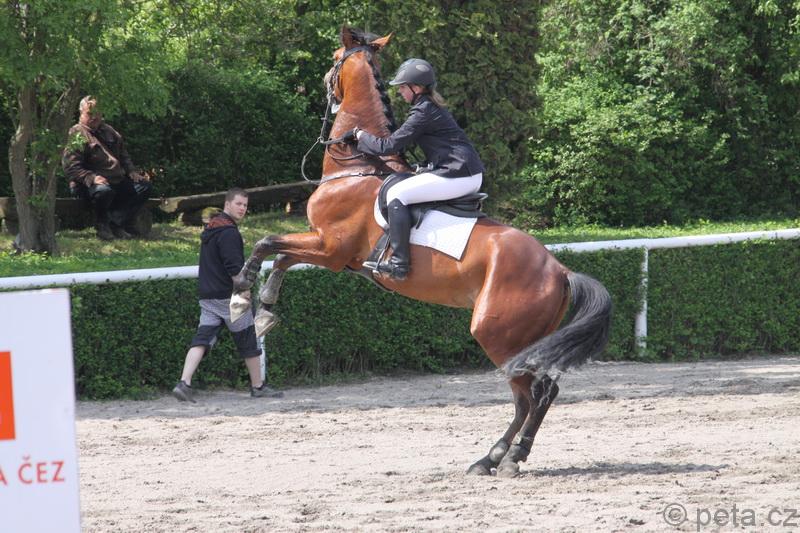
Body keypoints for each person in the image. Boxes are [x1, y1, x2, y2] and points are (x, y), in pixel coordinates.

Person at [345, 58, 485, 280]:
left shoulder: (423, 111)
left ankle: (399, 264)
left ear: (416, 88)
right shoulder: (427, 107)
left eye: (403, 87)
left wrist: (360, 135)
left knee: (396, 194)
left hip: (460, 175)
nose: (400, 92)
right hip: (461, 171)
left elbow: (388, 146)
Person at [172, 188, 283, 402]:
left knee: (202, 339)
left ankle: (184, 383)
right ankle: (258, 386)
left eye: (245, 205)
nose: (242, 209)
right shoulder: (229, 233)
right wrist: (245, 290)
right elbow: (234, 270)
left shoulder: (211, 229)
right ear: (227, 204)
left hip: (208, 295)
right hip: (230, 297)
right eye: (239, 204)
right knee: (249, 339)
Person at [62, 95, 152, 240]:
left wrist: (131, 171)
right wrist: (91, 177)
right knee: (104, 191)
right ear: (81, 113)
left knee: (143, 186)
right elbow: (71, 167)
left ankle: (115, 223)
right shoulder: (76, 133)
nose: (94, 117)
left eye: (97, 113)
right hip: (87, 185)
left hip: (115, 180)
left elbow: (124, 155)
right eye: (90, 113)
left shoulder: (109, 131)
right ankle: (102, 226)